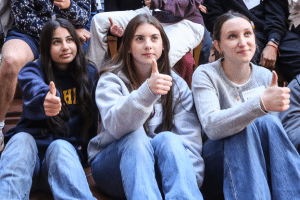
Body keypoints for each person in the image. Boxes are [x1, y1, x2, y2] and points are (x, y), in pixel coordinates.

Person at [88, 14, 204, 200]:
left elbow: (189, 139)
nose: (148, 45)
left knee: (170, 139)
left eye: (154, 38)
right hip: (112, 168)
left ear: (163, 45)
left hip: (156, 171)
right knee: (135, 137)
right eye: (139, 39)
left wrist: (190, 180)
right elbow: (115, 126)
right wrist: (147, 93)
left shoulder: (177, 84)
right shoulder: (110, 79)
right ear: (127, 46)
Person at [192, 11, 300, 200]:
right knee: (242, 129)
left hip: (258, 164)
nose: (242, 42)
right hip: (216, 162)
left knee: (269, 124)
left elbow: (270, 138)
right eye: (232, 36)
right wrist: (258, 105)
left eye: (247, 34)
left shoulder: (266, 76)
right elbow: (212, 127)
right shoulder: (205, 74)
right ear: (218, 45)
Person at [0, 18, 98, 199]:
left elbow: (91, 119)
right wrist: (45, 98)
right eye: (56, 42)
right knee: (21, 139)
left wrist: (87, 155)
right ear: (46, 47)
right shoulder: (31, 70)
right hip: (27, 163)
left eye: (69, 40)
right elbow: (33, 86)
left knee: (60, 146)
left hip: (63, 163)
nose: (65, 47)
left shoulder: (89, 73)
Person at [0, 0, 91, 140]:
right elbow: (25, 19)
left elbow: (84, 16)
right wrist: (59, 33)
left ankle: (77, 134)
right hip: (30, 34)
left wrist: (68, 6)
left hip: (69, 35)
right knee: (10, 61)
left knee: (84, 64)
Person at [200, 0, 300, 83]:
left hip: (276, 32)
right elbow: (217, 25)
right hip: (242, 34)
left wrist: (273, 42)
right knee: (244, 62)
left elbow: (276, 16)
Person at [86, 0, 204, 70]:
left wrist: (160, 2)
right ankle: (93, 80)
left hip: (186, 22)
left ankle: (150, 103)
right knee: (99, 21)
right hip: (154, 14)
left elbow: (192, 3)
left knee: (158, 55)